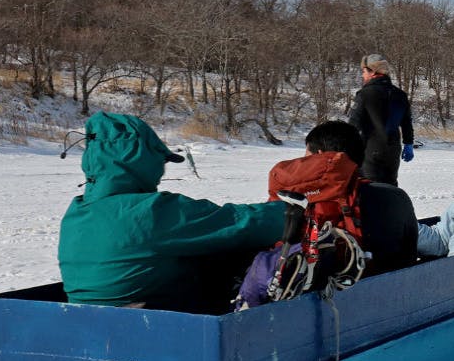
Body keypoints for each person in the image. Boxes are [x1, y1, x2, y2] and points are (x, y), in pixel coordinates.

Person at [58, 112, 286, 312]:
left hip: (91, 325)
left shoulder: (76, 213)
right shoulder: (149, 211)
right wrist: (290, 213)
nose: (161, 173)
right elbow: (238, 223)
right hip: (155, 327)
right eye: (160, 161)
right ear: (140, 160)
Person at [235, 120, 420, 307]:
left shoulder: (299, 202)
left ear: (320, 158)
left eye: (306, 154)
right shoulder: (396, 196)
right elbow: (409, 254)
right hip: (392, 299)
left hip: (332, 306)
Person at [347, 53, 415, 185]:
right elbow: (406, 123)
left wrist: (347, 149)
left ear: (373, 72)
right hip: (393, 150)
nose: (363, 75)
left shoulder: (365, 94)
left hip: (370, 150)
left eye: (364, 71)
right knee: (390, 187)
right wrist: (408, 144)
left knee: (369, 189)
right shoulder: (400, 95)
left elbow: (353, 125)